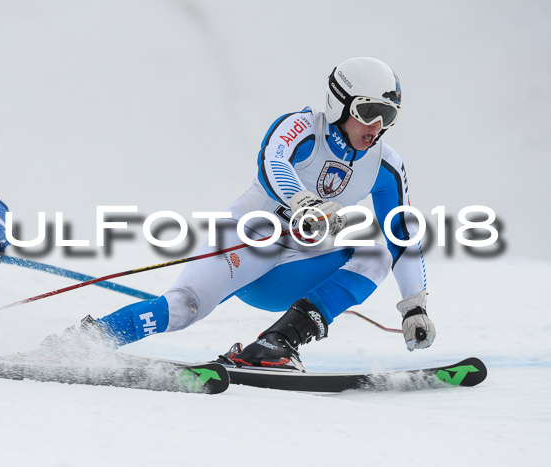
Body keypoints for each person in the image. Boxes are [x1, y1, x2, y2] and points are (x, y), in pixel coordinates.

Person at [48, 57, 435, 371]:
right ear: (341, 103)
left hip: (295, 266)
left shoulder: (386, 165)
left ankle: (276, 343)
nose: (378, 126)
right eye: (369, 111)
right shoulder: (301, 127)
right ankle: (81, 343)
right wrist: (304, 202)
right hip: (244, 244)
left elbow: (401, 232)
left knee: (377, 251)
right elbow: (273, 163)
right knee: (183, 309)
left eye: (388, 115)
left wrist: (414, 304)